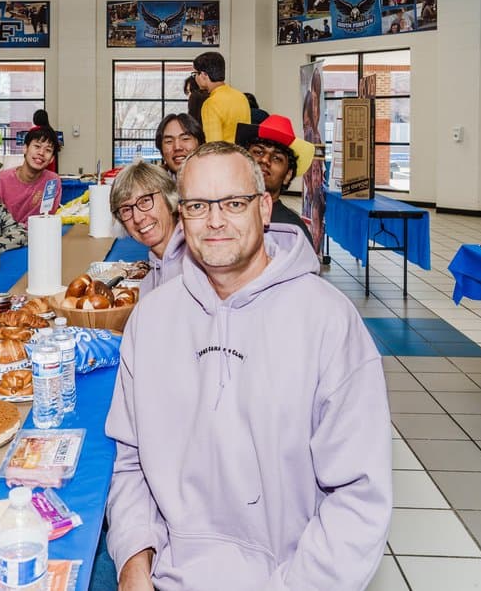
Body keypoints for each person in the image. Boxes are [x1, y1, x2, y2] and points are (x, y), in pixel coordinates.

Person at [105, 142, 391, 590]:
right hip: (166, 574)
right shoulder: (151, 317)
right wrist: (133, 563)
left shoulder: (328, 321)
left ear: (263, 208)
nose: (215, 220)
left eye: (233, 203)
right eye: (198, 205)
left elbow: (358, 498)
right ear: (182, 216)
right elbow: (131, 463)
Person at [236, 114, 315, 248]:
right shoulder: (220, 212)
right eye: (258, 152)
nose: (265, 160)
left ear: (287, 176)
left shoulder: (293, 231)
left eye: (277, 158)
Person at [108, 162, 184, 293]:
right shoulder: (149, 281)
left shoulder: (192, 267)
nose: (137, 218)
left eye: (145, 201)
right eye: (126, 209)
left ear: (169, 198)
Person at [0, 128, 61, 226]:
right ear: (25, 148)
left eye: (48, 150)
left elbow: (47, 217)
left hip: (38, 234)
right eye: (37, 146)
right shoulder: (1, 180)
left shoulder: (52, 181)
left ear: (52, 159)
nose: (41, 153)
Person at [193, 51, 251, 143]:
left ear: (204, 75)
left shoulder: (211, 103)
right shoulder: (241, 97)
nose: (195, 78)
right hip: (241, 155)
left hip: (223, 156)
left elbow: (214, 146)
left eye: (195, 74)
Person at [155, 113, 205, 180]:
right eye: (169, 141)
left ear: (200, 144)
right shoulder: (152, 185)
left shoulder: (217, 181)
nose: (177, 147)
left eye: (185, 138)